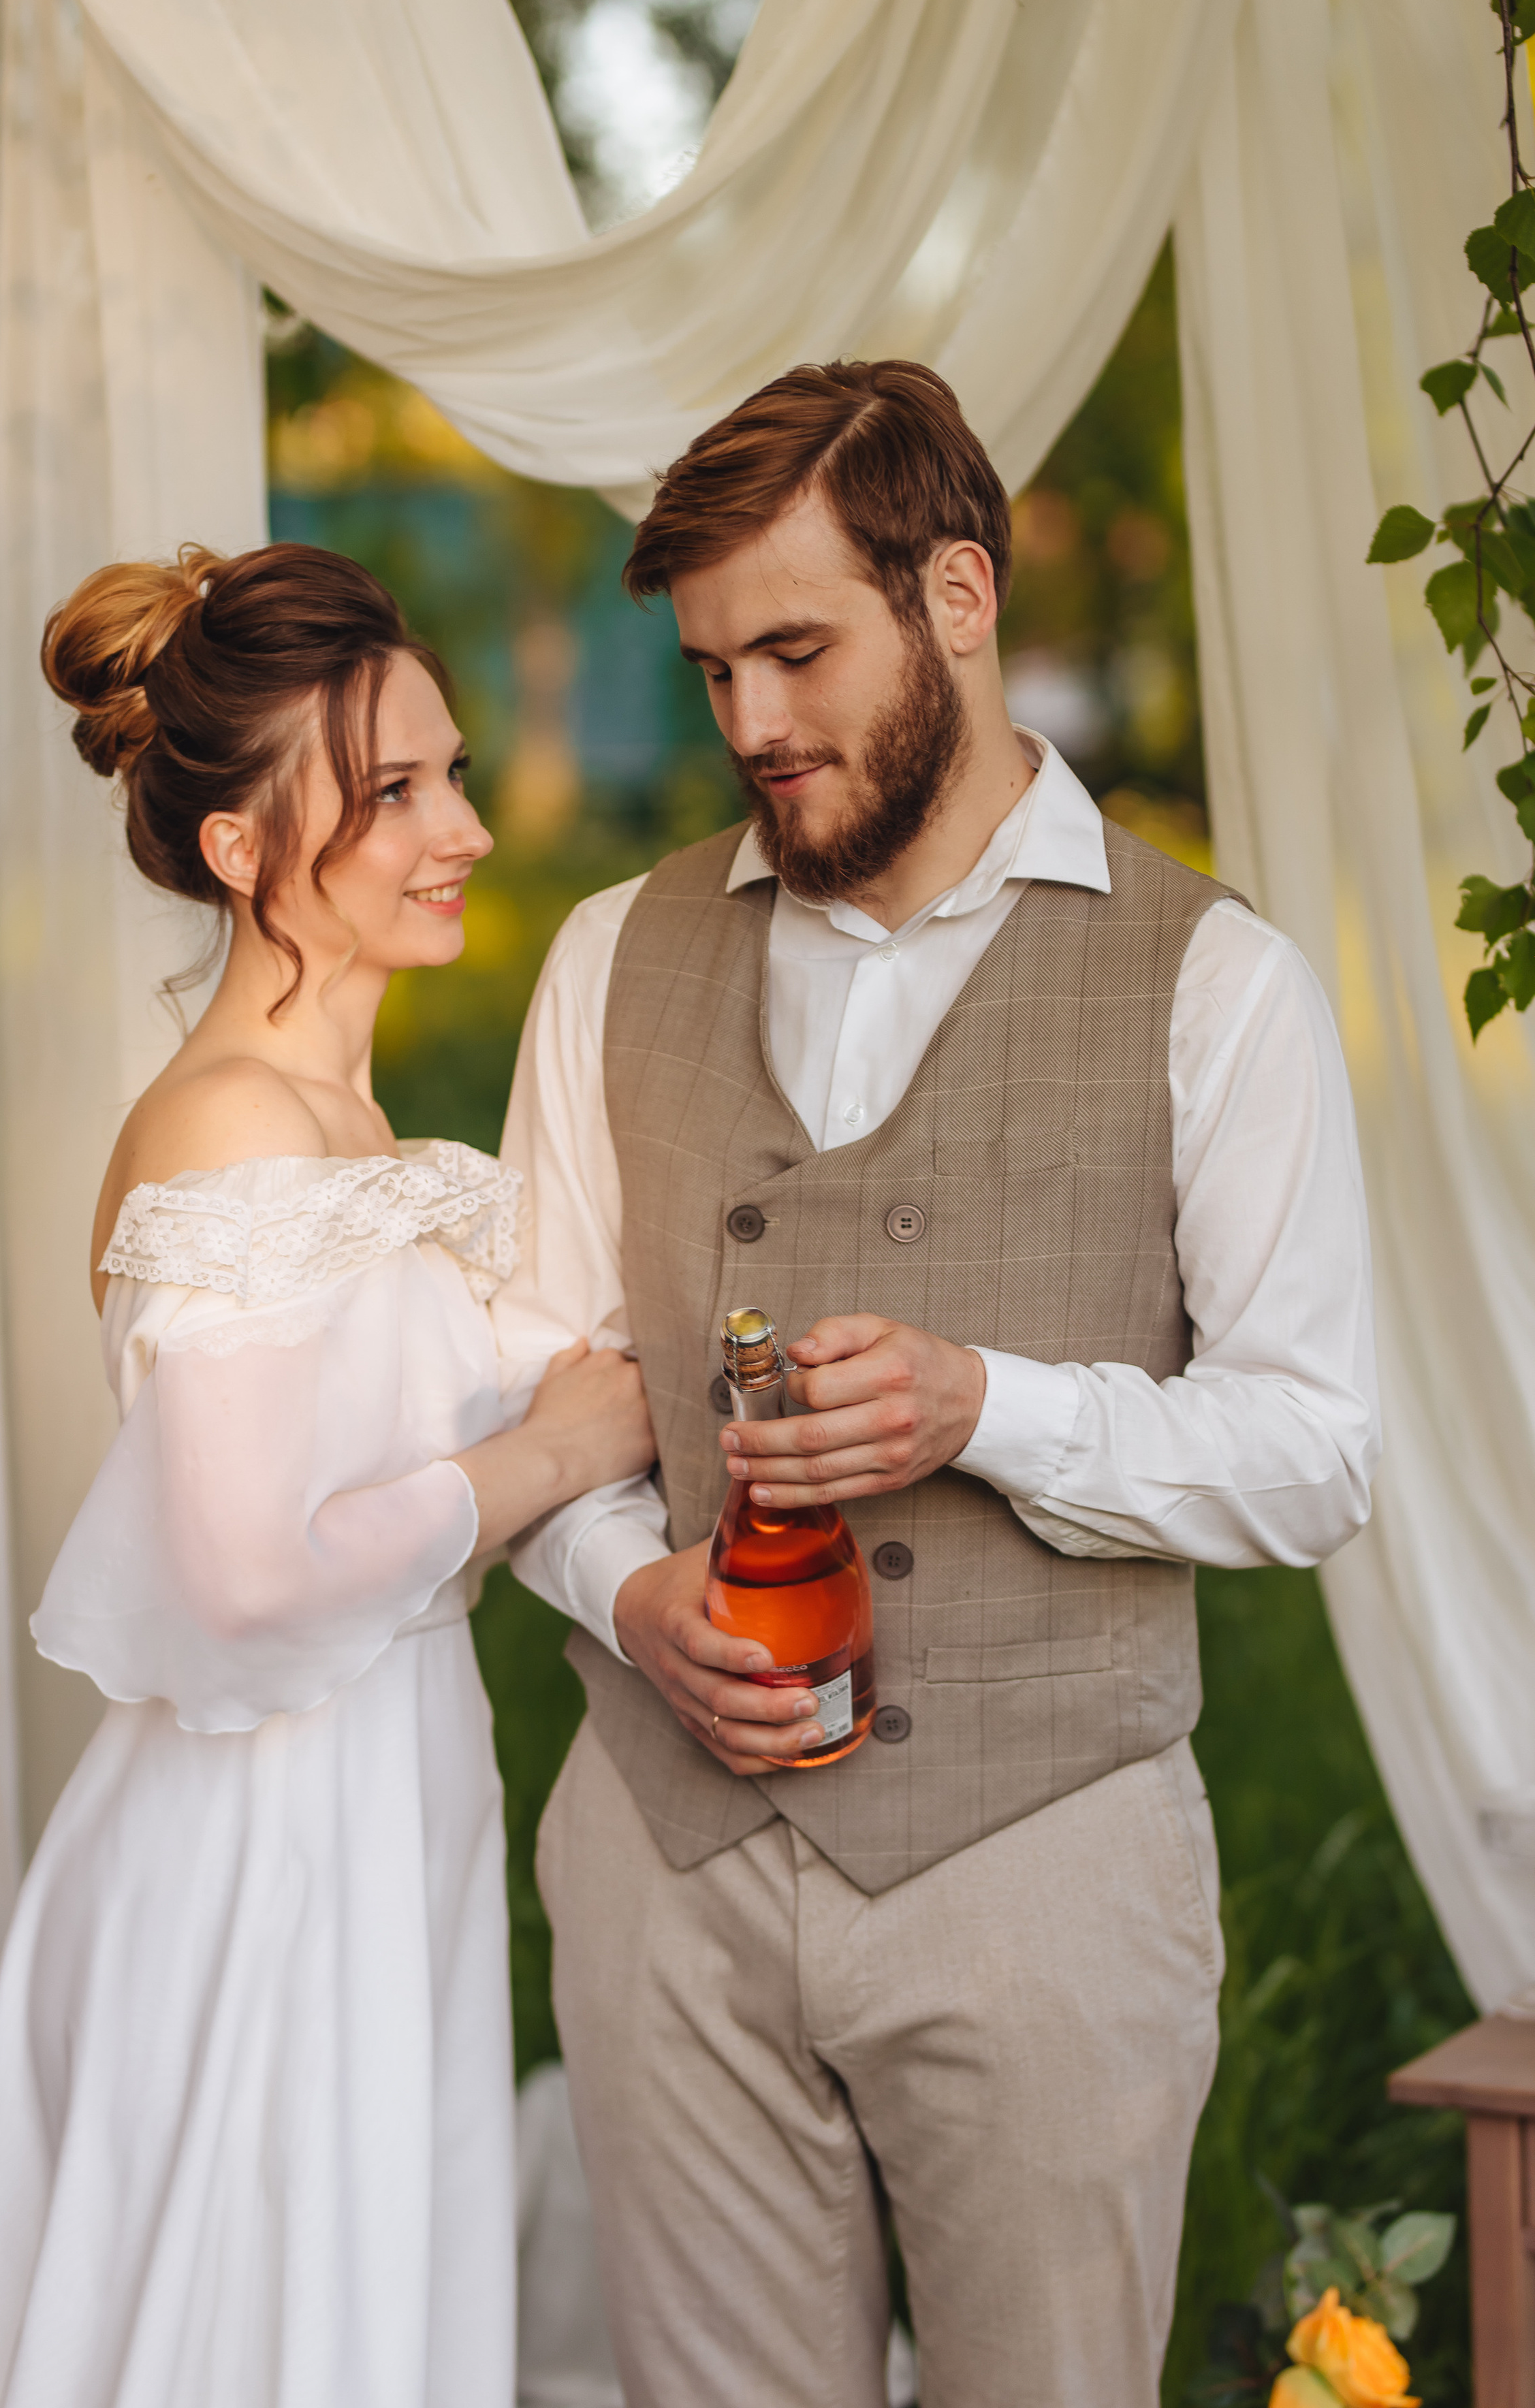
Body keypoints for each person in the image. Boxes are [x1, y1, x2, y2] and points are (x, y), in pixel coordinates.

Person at [495, 362, 1380, 2408]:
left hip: (1045, 1872)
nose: (750, 723)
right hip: (664, 1867)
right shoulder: (607, 956)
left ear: (957, 597)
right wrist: (626, 1589)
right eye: (713, 670)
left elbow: (1315, 1451)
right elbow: (542, 1384)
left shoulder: (1217, 982)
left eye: (798, 653)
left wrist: (993, 1408)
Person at [0, 544, 654, 2408]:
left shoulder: (341, 1127)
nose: (460, 828)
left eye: (452, 774)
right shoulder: (235, 1132)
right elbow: (245, 1572)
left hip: (376, 1808)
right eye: (391, 793)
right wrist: (552, 1452)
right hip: (269, 1845)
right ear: (241, 847)